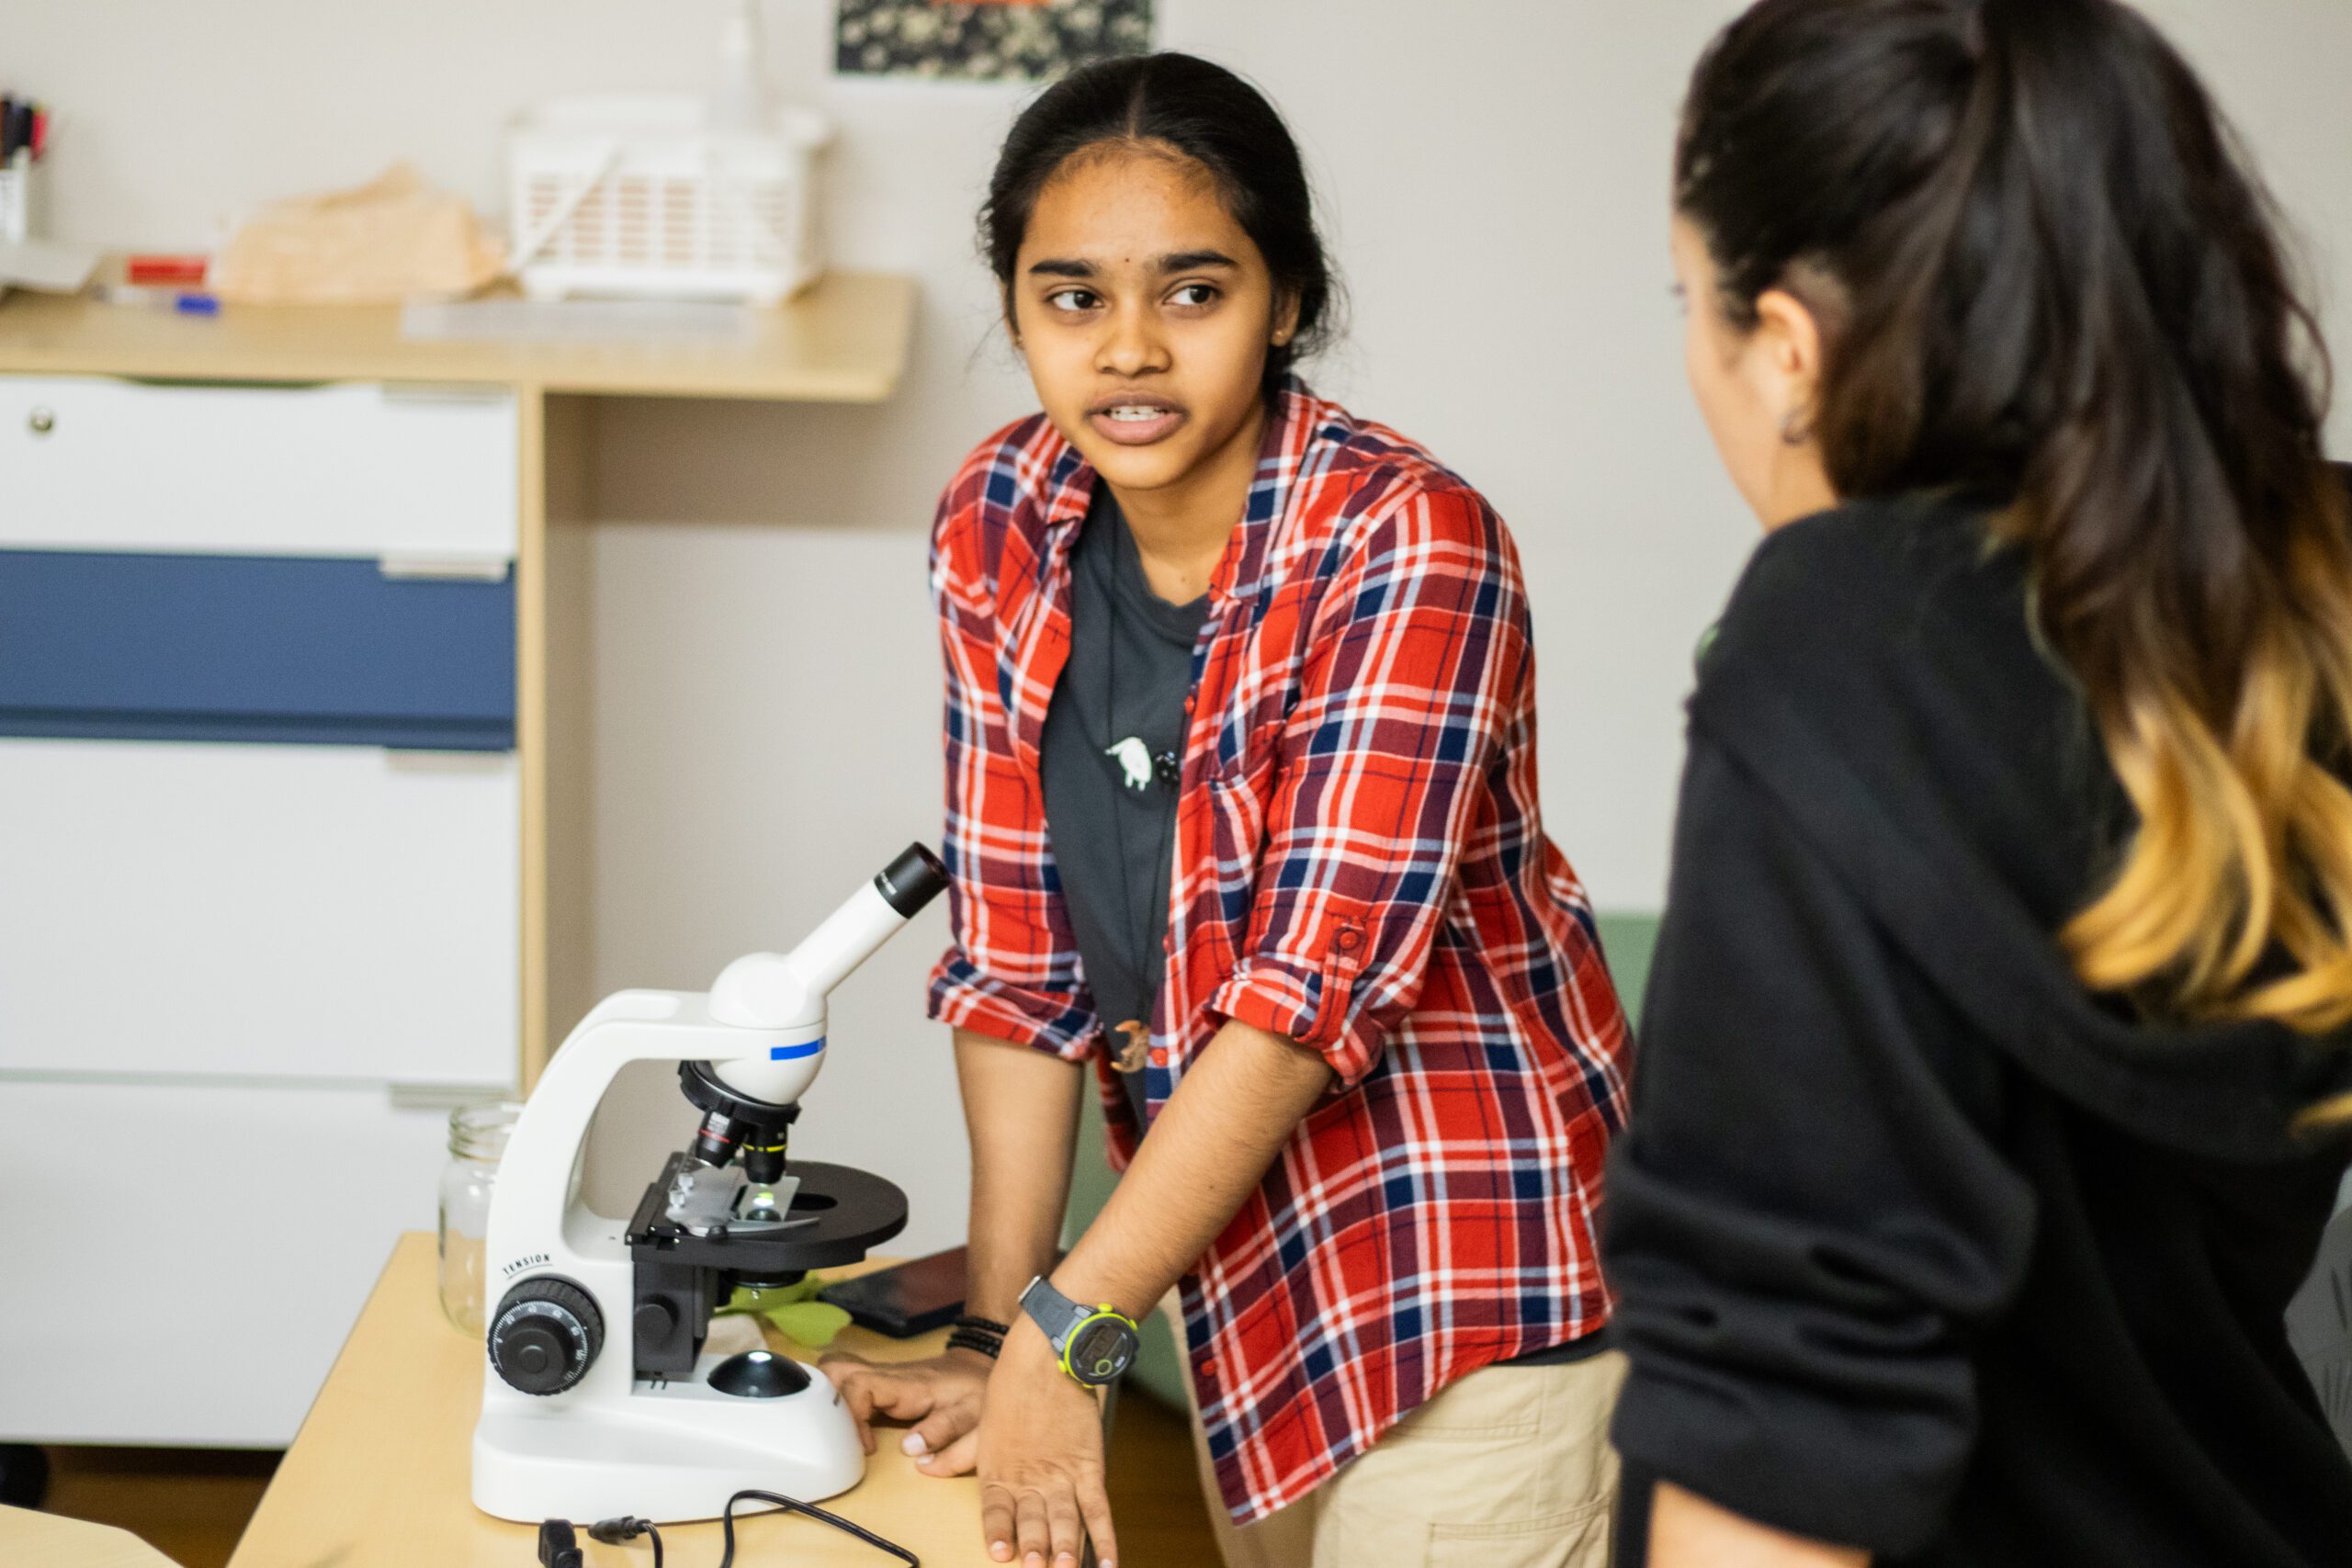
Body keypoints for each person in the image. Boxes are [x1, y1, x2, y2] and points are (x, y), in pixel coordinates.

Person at [820, 51, 1633, 1568]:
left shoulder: (1410, 544)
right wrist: (1001, 1334)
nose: (1129, 349)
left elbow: (1303, 1004)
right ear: (1016, 311)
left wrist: (1071, 1333)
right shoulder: (1001, 517)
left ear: (1286, 302)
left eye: (1193, 292)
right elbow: (1019, 968)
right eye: (1073, 298)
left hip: (1471, 1281)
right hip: (1230, 1290)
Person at [1603, 1, 2352, 1564]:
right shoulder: (2300, 594)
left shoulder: (1848, 641)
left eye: (1689, 297)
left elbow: (1779, 1444)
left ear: (1787, 349)